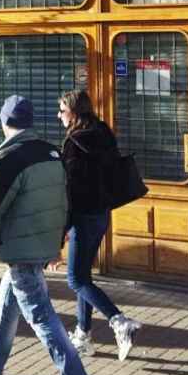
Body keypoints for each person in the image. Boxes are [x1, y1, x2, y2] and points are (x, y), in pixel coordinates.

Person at [0, 95, 93, 375]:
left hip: (21, 249)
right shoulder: (51, 152)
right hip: (39, 244)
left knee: (42, 317)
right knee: (7, 301)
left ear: (4, 122)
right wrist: (56, 242)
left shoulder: (9, 158)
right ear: (30, 122)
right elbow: (64, 202)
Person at [56, 89, 142, 361]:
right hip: (101, 214)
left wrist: (60, 232)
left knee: (75, 279)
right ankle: (83, 335)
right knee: (84, 276)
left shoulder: (74, 143)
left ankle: (119, 321)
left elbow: (68, 190)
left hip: (82, 216)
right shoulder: (103, 133)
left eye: (62, 110)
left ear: (74, 112)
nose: (59, 115)